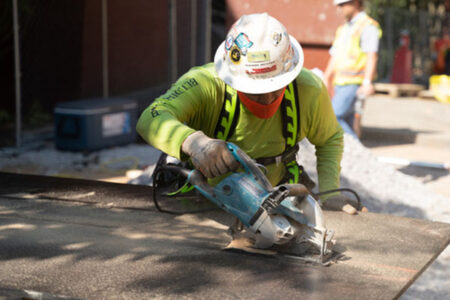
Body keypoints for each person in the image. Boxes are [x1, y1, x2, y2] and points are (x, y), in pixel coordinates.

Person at [137, 13, 358, 214]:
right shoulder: (205, 84)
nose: (266, 99)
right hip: (203, 203)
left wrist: (330, 194)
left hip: (275, 201)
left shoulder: (308, 90)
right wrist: (193, 142)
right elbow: (151, 117)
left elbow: (329, 139)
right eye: (255, 92)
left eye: (275, 88)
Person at [324, 0, 382, 139]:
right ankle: (352, 157)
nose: (339, 9)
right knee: (347, 124)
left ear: (355, 3)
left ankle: (357, 152)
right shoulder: (343, 29)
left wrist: (367, 82)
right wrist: (326, 77)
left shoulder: (368, 26)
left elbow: (371, 56)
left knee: (333, 117)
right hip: (340, 84)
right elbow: (336, 55)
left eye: (342, 5)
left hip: (354, 84)